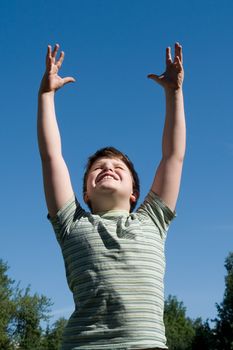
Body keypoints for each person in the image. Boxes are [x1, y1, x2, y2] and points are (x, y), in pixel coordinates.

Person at [37, 42, 186, 350]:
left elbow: (173, 157)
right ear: (84, 193)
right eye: (97, 168)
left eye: (118, 167)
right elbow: (52, 156)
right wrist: (46, 96)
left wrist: (174, 95)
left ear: (134, 192)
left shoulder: (153, 220)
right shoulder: (71, 223)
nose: (107, 168)